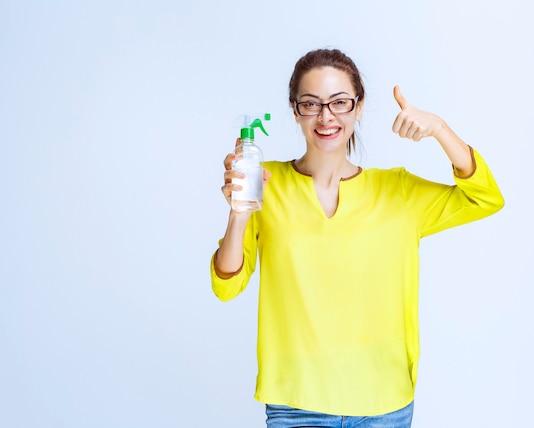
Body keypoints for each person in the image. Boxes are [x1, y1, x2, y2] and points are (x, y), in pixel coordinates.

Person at [211, 48, 504, 428]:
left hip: (384, 403)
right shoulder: (265, 182)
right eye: (311, 103)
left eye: (339, 102)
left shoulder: (398, 191)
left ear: (359, 108)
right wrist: (239, 214)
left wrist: (440, 130)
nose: (326, 115)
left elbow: (485, 198)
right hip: (296, 403)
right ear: (295, 110)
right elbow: (226, 287)